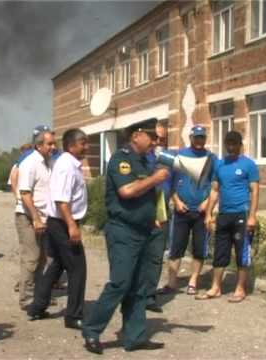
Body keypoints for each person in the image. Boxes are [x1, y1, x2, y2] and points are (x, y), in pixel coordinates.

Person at [82, 119, 169, 354]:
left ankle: (135, 336)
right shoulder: (121, 159)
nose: (156, 143)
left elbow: (146, 196)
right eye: (153, 138)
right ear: (137, 136)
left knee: (140, 286)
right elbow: (126, 191)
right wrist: (155, 179)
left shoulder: (143, 161)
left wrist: (154, 216)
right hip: (123, 231)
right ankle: (91, 330)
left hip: (144, 231)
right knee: (120, 283)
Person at [27, 128, 89, 331]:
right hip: (62, 223)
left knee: (57, 265)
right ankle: (73, 316)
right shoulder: (66, 166)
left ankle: (37, 307)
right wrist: (72, 225)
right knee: (78, 268)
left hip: (59, 221)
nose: (86, 147)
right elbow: (61, 199)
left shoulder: (69, 164)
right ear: (72, 146)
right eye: (83, 143)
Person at [196, 130, 259, 303]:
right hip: (224, 214)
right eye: (228, 144)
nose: (231, 147)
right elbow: (215, 190)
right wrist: (209, 213)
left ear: (240, 145)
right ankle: (216, 287)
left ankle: (240, 288)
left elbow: (254, 191)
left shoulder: (249, 165)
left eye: (234, 144)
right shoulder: (219, 164)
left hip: (242, 214)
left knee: (242, 252)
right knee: (220, 252)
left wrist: (252, 216)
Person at [157, 125, 215, 296]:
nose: (199, 140)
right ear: (190, 138)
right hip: (181, 210)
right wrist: (176, 200)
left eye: (202, 137)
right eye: (196, 137)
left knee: (199, 248)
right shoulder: (179, 155)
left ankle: (193, 281)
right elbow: (170, 183)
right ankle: (172, 282)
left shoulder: (211, 158)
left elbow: (216, 186)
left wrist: (207, 203)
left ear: (205, 139)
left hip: (202, 211)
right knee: (176, 247)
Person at [15, 128, 55, 309]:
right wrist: (36, 218)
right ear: (39, 145)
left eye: (54, 143)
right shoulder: (30, 163)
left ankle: (41, 296)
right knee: (31, 258)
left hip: (46, 217)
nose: (53, 147)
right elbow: (24, 193)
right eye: (49, 144)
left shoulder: (50, 163)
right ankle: (27, 299)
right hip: (28, 216)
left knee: (44, 259)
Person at [144, 120, 172, 313]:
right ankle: (135, 294)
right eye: (155, 138)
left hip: (162, 210)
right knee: (140, 256)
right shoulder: (138, 158)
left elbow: (178, 181)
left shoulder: (168, 157)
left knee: (155, 256)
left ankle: (149, 296)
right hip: (143, 210)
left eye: (162, 138)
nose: (158, 142)